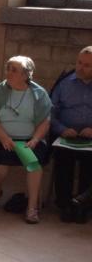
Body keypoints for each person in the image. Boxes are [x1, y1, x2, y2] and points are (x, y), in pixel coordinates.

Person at [0, 56, 52, 224]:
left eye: (14, 70)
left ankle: (32, 208)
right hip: (3, 138)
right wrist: (3, 137)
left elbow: (45, 121)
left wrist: (35, 140)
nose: (9, 73)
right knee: (0, 166)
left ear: (26, 75)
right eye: (8, 69)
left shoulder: (38, 94)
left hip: (29, 141)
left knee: (34, 166)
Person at [50, 46, 92, 222]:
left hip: (90, 138)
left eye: (87, 65)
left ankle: (83, 205)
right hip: (66, 135)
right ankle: (65, 204)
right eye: (79, 63)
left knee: (89, 164)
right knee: (63, 160)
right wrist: (62, 129)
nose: (80, 68)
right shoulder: (64, 83)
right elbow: (50, 112)